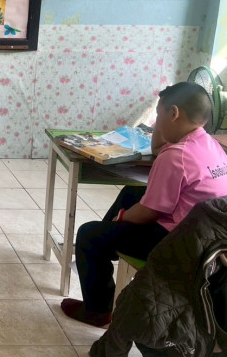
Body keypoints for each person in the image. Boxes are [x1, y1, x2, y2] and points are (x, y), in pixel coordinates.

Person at [61, 82, 227, 327]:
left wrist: (120, 219)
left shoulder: (177, 156)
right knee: (132, 192)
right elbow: (158, 148)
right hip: (208, 237)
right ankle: (102, 254)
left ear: (174, 113)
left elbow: (149, 212)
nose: (156, 123)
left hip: (178, 244)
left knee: (88, 234)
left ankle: (98, 310)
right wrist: (163, 121)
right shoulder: (211, 145)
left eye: (158, 115)